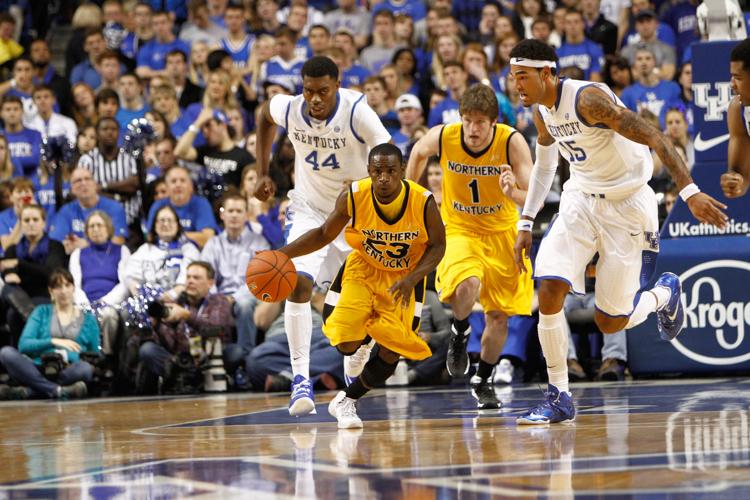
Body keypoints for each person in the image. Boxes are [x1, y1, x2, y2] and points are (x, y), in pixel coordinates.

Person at [508, 39, 727, 424]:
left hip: (628, 205)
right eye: (513, 77)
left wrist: (689, 193)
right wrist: (526, 221)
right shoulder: (542, 110)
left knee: (611, 321)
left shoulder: (588, 100)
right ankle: (559, 395)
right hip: (580, 198)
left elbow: (656, 137)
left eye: (522, 76)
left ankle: (664, 293)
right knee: (548, 287)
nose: (516, 86)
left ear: (546, 73)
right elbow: (544, 168)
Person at [254, 55, 391, 416]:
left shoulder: (356, 111)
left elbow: (387, 151)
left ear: (337, 85)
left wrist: (373, 190)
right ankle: (301, 381)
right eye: (309, 91)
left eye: (323, 92)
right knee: (297, 282)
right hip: (310, 209)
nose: (315, 99)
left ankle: (349, 395)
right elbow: (263, 115)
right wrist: (262, 171)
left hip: (355, 217)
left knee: (355, 315)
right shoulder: (291, 108)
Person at [279, 143, 445, 428]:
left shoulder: (423, 201)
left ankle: (347, 400)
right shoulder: (353, 196)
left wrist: (412, 279)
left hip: (404, 279)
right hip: (364, 270)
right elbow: (322, 233)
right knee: (346, 343)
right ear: (368, 171)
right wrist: (283, 255)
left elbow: (439, 245)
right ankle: (364, 340)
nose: (383, 177)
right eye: (377, 171)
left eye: (391, 171)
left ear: (402, 171)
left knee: (393, 351)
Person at [406, 83, 534, 409]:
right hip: (461, 229)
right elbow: (419, 152)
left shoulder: (511, 142)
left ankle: (484, 378)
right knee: (468, 284)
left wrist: (512, 192)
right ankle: (460, 332)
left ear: (494, 122)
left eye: (480, 122)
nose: (472, 129)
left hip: (503, 233)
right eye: (468, 120)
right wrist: (409, 194)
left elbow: (532, 196)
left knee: (499, 318)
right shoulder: (446, 135)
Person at [0, 269, 99, 400]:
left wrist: (70, 356)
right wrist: (53, 341)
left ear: (73, 288)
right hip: (38, 366)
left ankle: (31, 391)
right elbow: (24, 345)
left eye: (67, 285)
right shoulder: (41, 312)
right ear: (51, 291)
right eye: (58, 287)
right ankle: (57, 390)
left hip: (68, 369)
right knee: (6, 353)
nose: (63, 291)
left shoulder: (89, 319)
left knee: (85, 369)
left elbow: (94, 355)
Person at [200, 194, 270, 357]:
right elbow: (206, 276)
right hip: (219, 296)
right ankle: (210, 360)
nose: (234, 215)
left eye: (239, 211)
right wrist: (216, 298)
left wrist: (234, 298)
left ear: (246, 215)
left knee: (244, 305)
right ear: (222, 215)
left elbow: (261, 279)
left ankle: (245, 358)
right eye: (230, 210)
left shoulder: (259, 242)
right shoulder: (213, 243)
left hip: (248, 295)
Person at [69, 211, 130, 368]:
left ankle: (107, 359)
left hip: (112, 303)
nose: (95, 229)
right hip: (85, 302)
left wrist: (104, 302)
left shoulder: (121, 251)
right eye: (91, 226)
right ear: (87, 231)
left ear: (108, 228)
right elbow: (74, 285)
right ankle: (83, 359)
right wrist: (86, 305)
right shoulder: (78, 254)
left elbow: (125, 284)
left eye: (99, 225)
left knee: (108, 315)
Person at [1, 205, 67, 341]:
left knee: (14, 314)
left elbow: (51, 274)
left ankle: (22, 351)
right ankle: (32, 320)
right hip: (18, 296)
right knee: (8, 288)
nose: (31, 223)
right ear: (21, 224)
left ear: (44, 223)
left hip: (45, 295)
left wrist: (20, 265)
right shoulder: (12, 250)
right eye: (26, 220)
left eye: (35, 219)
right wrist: (10, 272)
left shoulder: (55, 246)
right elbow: (7, 272)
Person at [720, 38, 750, 199]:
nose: (732, 84)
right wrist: (735, 183)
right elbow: (742, 176)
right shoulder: (738, 109)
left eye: (738, 77)